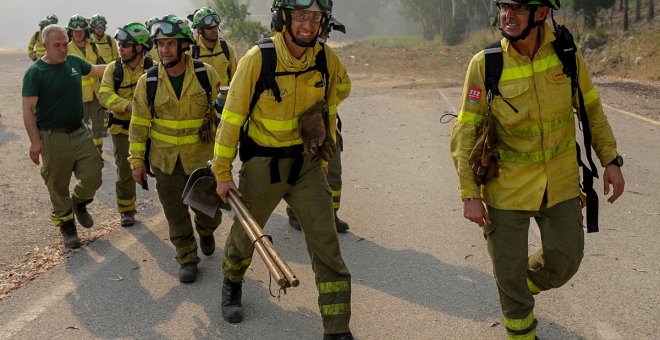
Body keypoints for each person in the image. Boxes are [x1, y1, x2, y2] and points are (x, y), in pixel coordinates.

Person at [449, 1, 625, 339]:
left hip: (559, 183)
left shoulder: (566, 55)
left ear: (541, 13)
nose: (507, 15)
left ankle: (521, 283)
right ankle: (520, 326)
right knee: (507, 274)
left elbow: (591, 109)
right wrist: (469, 194)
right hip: (505, 189)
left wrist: (611, 160)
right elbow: (466, 131)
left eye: (517, 8)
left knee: (565, 261)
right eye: (503, 6)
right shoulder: (485, 64)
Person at [212, 0, 353, 338]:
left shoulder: (325, 58)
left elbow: (332, 106)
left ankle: (336, 328)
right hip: (264, 166)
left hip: (306, 165)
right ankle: (232, 281)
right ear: (283, 18)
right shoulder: (258, 60)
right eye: (301, 16)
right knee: (248, 233)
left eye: (315, 17)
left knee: (327, 244)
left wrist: (322, 159)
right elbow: (231, 119)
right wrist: (222, 172)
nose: (308, 25)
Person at [128, 15, 222, 283]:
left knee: (209, 213)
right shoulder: (148, 82)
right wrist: (136, 161)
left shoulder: (206, 75)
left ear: (184, 46)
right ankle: (187, 256)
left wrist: (224, 158)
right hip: (165, 162)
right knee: (175, 212)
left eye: (170, 43)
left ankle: (205, 232)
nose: (164, 50)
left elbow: (224, 119)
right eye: (160, 44)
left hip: (202, 161)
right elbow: (138, 124)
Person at [22, 24, 106, 249]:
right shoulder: (35, 73)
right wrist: (35, 141)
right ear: (44, 46)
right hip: (52, 138)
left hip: (79, 132)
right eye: (56, 45)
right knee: (57, 186)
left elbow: (98, 70)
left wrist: (125, 65)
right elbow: (28, 109)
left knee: (94, 174)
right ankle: (67, 228)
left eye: (64, 44)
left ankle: (79, 202)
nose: (62, 49)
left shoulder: (74, 62)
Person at [286, 16, 350, 233]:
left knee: (332, 170)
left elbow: (343, 86)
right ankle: (295, 214)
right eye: (326, 32)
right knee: (297, 171)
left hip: (326, 125)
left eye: (325, 32)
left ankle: (330, 215)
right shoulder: (287, 55)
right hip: (295, 127)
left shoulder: (327, 57)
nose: (326, 37)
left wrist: (325, 105)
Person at [98, 22, 153, 227]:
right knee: (124, 171)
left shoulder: (153, 68)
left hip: (150, 130)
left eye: (125, 45)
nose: (120, 48)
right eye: (119, 44)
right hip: (122, 129)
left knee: (163, 169)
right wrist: (128, 106)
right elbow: (104, 95)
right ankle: (127, 210)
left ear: (139, 47)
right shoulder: (114, 69)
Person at [66, 14, 106, 153]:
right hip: (77, 95)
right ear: (71, 32)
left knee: (98, 126)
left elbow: (102, 66)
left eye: (81, 31)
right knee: (79, 126)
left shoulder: (93, 46)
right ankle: (82, 153)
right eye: (75, 31)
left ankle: (98, 152)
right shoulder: (66, 48)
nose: (78, 34)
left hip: (96, 93)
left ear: (85, 32)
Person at [189, 7, 237, 87]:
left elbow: (235, 78)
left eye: (215, 26)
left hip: (224, 97)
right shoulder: (191, 52)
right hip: (202, 98)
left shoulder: (227, 49)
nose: (214, 30)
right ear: (199, 29)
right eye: (209, 28)